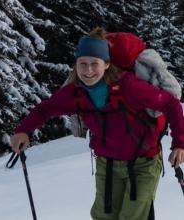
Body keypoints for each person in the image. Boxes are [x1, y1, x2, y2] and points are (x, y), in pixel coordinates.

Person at [10, 27, 184, 220]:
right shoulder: (75, 92)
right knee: (103, 217)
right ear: (75, 65)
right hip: (107, 165)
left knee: (133, 217)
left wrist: (179, 144)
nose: (88, 70)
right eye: (82, 64)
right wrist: (24, 131)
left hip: (144, 164)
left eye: (95, 63)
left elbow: (170, 103)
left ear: (107, 64)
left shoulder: (128, 87)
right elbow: (46, 109)